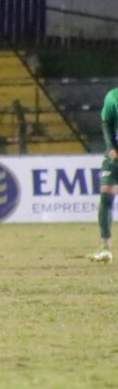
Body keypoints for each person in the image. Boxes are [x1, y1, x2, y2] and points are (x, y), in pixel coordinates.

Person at [89, 86, 118, 263]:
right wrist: (111, 148)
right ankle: (105, 248)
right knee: (106, 194)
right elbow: (106, 122)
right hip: (114, 158)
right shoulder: (113, 96)